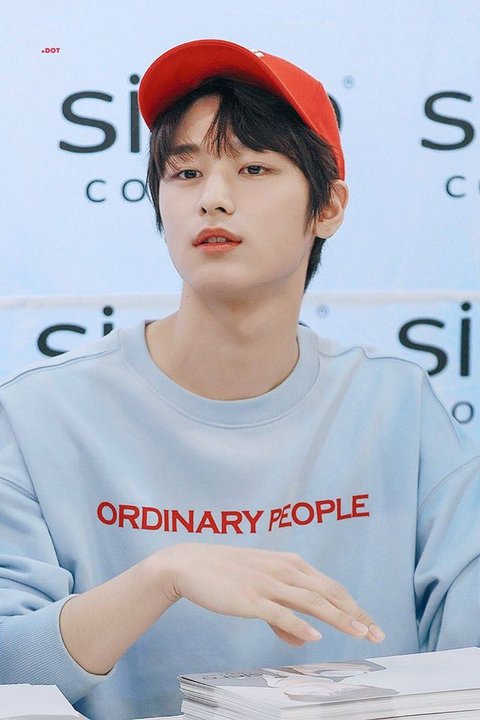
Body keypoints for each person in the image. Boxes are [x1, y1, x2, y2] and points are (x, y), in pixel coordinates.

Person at [0, 39, 479, 720]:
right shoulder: (37, 415)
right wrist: (163, 576)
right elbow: (9, 667)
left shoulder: (396, 405)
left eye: (253, 168)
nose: (214, 199)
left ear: (328, 207)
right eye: (185, 173)